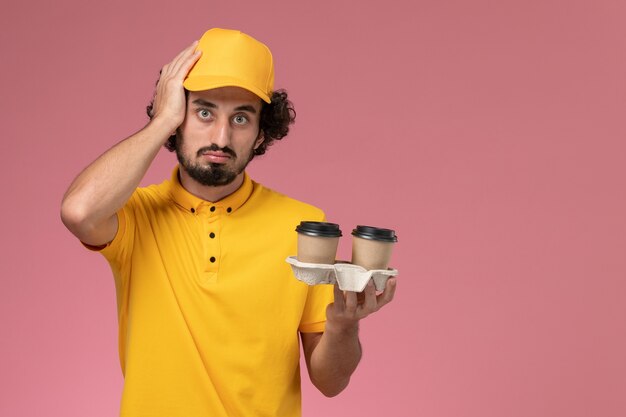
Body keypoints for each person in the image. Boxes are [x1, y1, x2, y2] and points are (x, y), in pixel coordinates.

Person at [61, 28, 397, 417]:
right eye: (203, 112)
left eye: (241, 117)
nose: (221, 137)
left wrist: (342, 325)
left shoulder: (303, 225)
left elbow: (331, 382)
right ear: (178, 120)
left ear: (260, 134)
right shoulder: (135, 215)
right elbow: (78, 211)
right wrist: (161, 120)